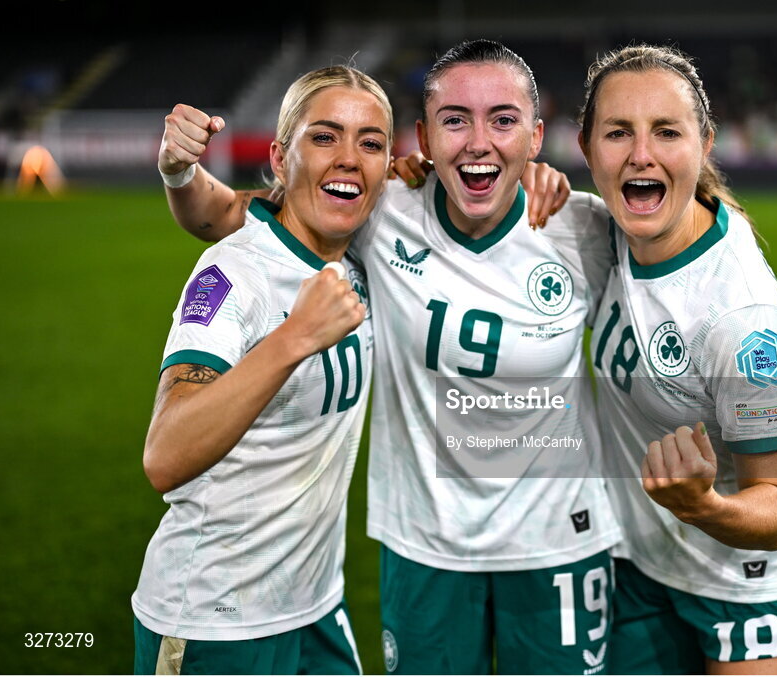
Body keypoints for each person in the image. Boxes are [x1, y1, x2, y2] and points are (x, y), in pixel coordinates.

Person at [159, 40, 622, 675]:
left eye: (504, 121)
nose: (480, 140)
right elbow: (233, 218)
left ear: (536, 136)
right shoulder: (380, 213)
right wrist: (179, 171)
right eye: (456, 119)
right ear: (425, 141)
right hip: (420, 547)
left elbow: (679, 250)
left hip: (558, 542)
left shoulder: (583, 229)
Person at [576, 45, 777, 674]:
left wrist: (704, 506)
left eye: (667, 132)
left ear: (704, 144)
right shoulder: (618, 223)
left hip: (743, 583)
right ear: (586, 149)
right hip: (639, 564)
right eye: (618, 133)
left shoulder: (742, 323)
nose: (641, 153)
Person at [131, 65, 391, 674]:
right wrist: (292, 339)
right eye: (324, 137)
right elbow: (165, 454)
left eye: (371, 142)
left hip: (316, 608)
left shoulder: (367, 248)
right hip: (214, 623)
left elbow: (215, 207)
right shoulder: (233, 275)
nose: (349, 157)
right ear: (280, 157)